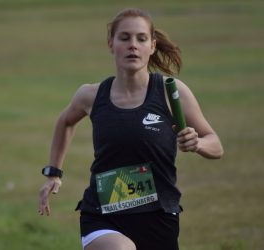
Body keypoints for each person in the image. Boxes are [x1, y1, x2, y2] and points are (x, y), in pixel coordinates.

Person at [38, 8, 223, 250]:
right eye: (124, 38)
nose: (132, 45)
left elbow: (216, 144)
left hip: (159, 214)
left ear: (152, 45)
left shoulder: (171, 92)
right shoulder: (91, 95)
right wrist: (54, 173)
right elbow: (65, 121)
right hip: (103, 214)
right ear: (111, 44)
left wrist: (198, 143)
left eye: (141, 38)